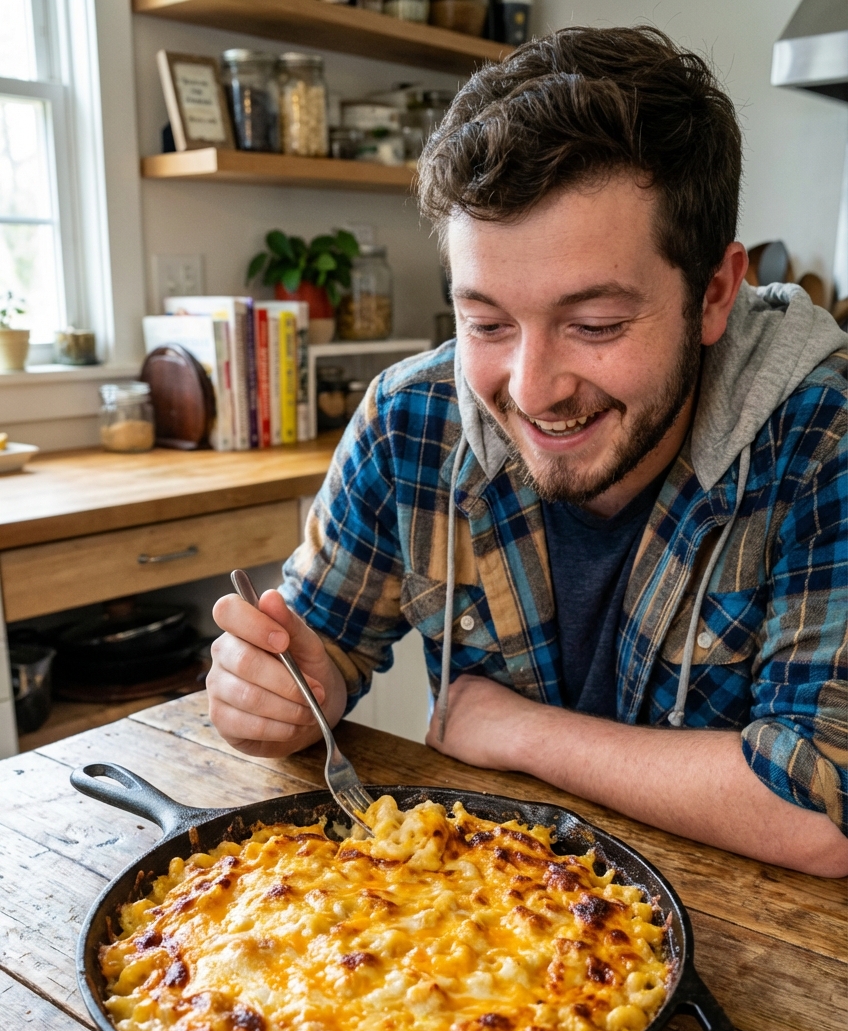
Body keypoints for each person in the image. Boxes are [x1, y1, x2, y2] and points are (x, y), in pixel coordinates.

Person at [208, 26, 847, 877]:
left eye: (595, 326)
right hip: (473, 957)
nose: (533, 387)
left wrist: (518, 730)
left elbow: (819, 806)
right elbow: (321, 646)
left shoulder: (821, 438)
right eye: (486, 323)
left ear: (715, 293)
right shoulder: (411, 418)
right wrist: (285, 693)